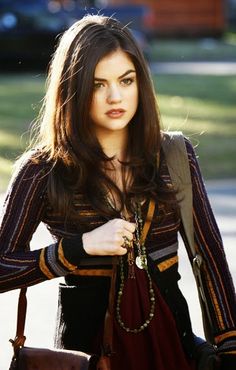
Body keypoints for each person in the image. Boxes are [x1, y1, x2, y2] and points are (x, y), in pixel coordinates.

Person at [0, 14, 235, 370]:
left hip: (174, 350)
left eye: (126, 80)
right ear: (73, 89)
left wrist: (229, 349)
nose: (115, 96)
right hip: (86, 358)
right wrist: (77, 248)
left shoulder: (174, 154)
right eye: (98, 84)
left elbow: (212, 262)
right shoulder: (41, 170)